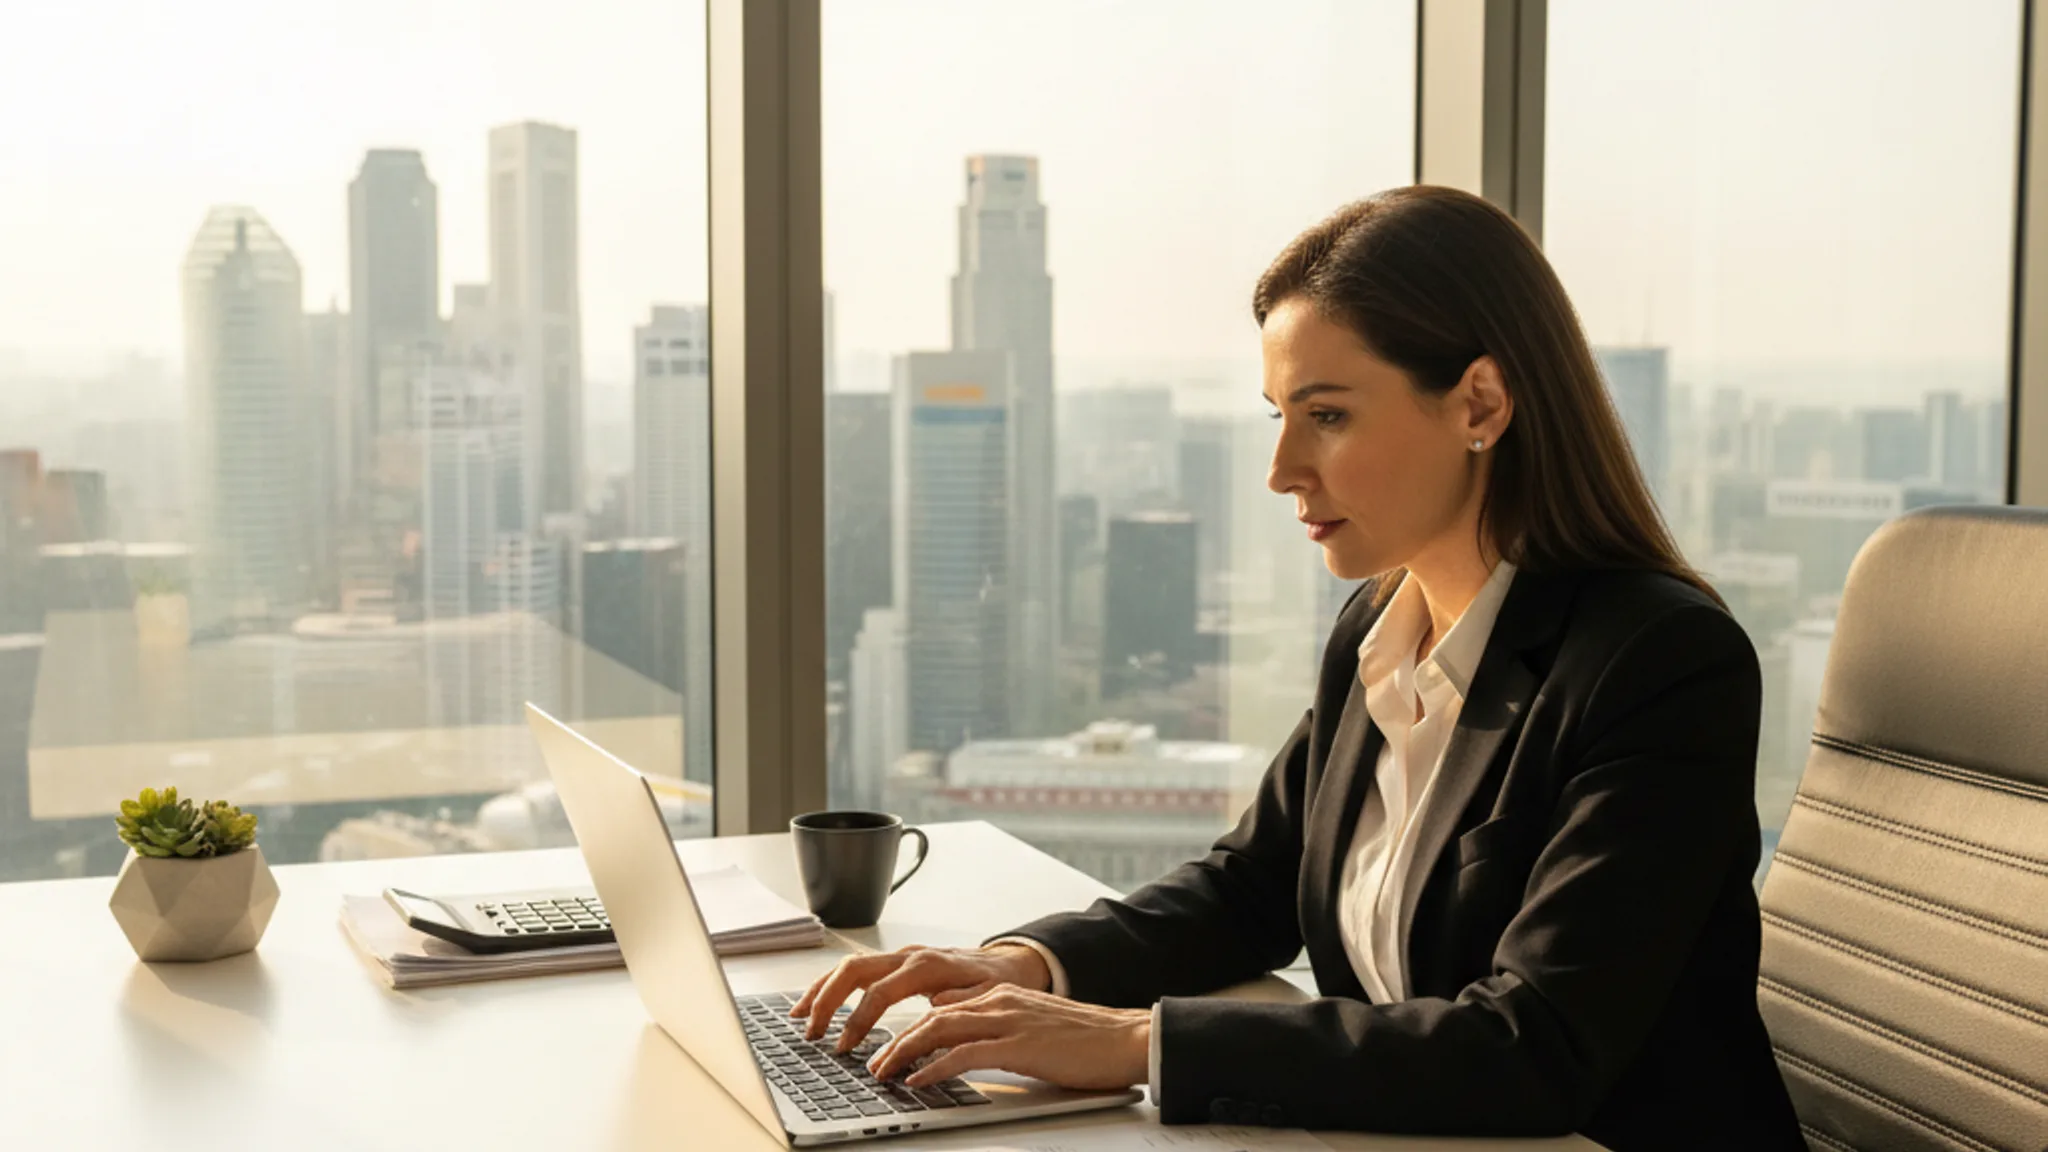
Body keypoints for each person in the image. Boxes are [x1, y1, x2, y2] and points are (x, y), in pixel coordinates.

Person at [793, 185, 1806, 1151]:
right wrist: (1026, 963)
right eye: (1276, 415)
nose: (1281, 469)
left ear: (1479, 405)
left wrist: (1135, 1045)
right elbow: (1252, 887)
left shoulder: (1656, 663)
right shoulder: (1379, 627)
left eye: (1326, 416)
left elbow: (1533, 1046)